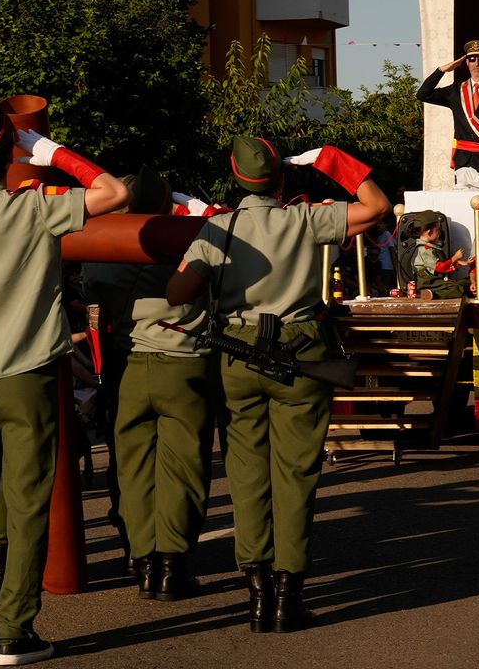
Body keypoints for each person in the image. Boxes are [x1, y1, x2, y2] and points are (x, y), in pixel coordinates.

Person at [0, 98, 128, 666]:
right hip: (26, 375)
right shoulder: (32, 207)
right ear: (10, 152)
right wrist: (49, 150)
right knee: (28, 504)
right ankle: (15, 631)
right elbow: (115, 194)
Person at [166, 136, 389, 632]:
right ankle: (289, 596)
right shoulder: (305, 219)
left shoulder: (219, 228)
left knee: (246, 478)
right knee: (295, 478)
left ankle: (257, 594)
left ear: (236, 179)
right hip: (301, 354)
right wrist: (333, 162)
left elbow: (179, 294)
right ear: (280, 179)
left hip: (239, 358)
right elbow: (378, 206)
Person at [85, 165, 215, 603]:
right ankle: (172, 564)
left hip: (126, 365)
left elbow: (92, 301)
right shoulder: (194, 239)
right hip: (184, 363)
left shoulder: (102, 250)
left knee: (131, 469)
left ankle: (140, 559)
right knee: (183, 469)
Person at [416, 39, 479, 180]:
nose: (476, 63)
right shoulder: (456, 90)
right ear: (466, 62)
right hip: (464, 162)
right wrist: (442, 70)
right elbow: (422, 94)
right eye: (472, 59)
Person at [411, 210, 470, 299]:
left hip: (435, 280)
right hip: (428, 282)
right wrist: (454, 258)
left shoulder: (430, 247)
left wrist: (457, 262)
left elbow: (438, 264)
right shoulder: (425, 249)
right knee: (456, 290)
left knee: (465, 283)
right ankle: (429, 294)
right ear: (429, 232)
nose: (439, 234)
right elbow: (440, 267)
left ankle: (432, 292)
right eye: (437, 230)